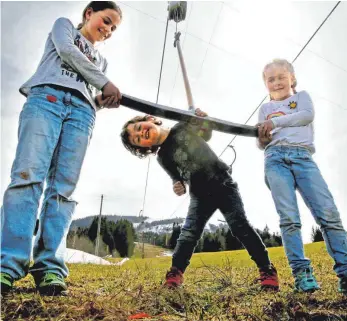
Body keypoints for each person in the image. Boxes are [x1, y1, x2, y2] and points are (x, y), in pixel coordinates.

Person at [1, 1, 122, 296]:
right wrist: (104, 83)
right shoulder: (64, 27)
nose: (107, 30)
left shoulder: (102, 62)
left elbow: (92, 93)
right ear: (88, 14)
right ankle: (7, 264)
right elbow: (68, 54)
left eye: (113, 28)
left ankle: (50, 268)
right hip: (47, 101)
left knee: (63, 189)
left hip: (82, 116)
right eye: (105, 21)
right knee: (28, 177)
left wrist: (101, 102)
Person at [120, 110, 279, 290]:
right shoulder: (162, 158)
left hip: (222, 183)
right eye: (137, 139)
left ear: (150, 119)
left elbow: (206, 132)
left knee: (239, 225)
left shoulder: (182, 126)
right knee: (188, 234)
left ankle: (266, 269)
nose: (141, 133)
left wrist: (202, 119)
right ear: (144, 147)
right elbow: (176, 178)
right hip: (199, 194)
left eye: (139, 128)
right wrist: (177, 185)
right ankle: (175, 273)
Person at [257, 58, 347, 294]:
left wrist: (274, 122)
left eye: (281, 77)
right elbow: (262, 142)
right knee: (289, 218)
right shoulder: (265, 109)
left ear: (292, 79)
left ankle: (345, 270)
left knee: (329, 214)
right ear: (265, 84)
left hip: (303, 159)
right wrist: (263, 137)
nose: (276, 82)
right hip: (275, 159)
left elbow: (306, 116)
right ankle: (301, 272)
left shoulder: (301, 98)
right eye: (270, 79)